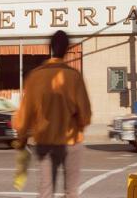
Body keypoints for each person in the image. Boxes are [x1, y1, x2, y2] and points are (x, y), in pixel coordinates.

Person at [13, 30, 92, 198]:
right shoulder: (73, 76)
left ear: (50, 48)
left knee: (45, 191)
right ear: (67, 49)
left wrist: (21, 139)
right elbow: (85, 114)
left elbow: (25, 113)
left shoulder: (35, 76)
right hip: (71, 142)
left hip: (44, 141)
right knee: (71, 191)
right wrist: (78, 125)